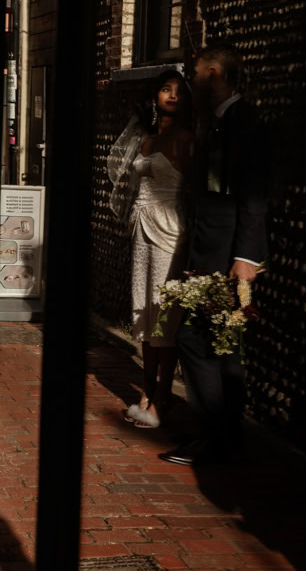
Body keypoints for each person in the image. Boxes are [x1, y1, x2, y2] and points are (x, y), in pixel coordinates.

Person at [159, 43, 269, 467]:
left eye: (198, 72)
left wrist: (246, 256)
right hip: (208, 248)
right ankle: (225, 437)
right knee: (224, 342)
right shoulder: (219, 122)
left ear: (217, 74)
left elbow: (254, 194)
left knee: (195, 338)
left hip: (227, 253)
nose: (193, 80)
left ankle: (212, 436)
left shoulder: (245, 122)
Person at [108, 70, 194, 429]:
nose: (172, 95)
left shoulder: (187, 138)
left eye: (178, 91)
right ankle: (146, 390)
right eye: (165, 89)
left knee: (164, 314)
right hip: (142, 229)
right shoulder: (146, 138)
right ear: (154, 96)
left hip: (170, 230)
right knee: (143, 310)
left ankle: (162, 397)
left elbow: (192, 191)